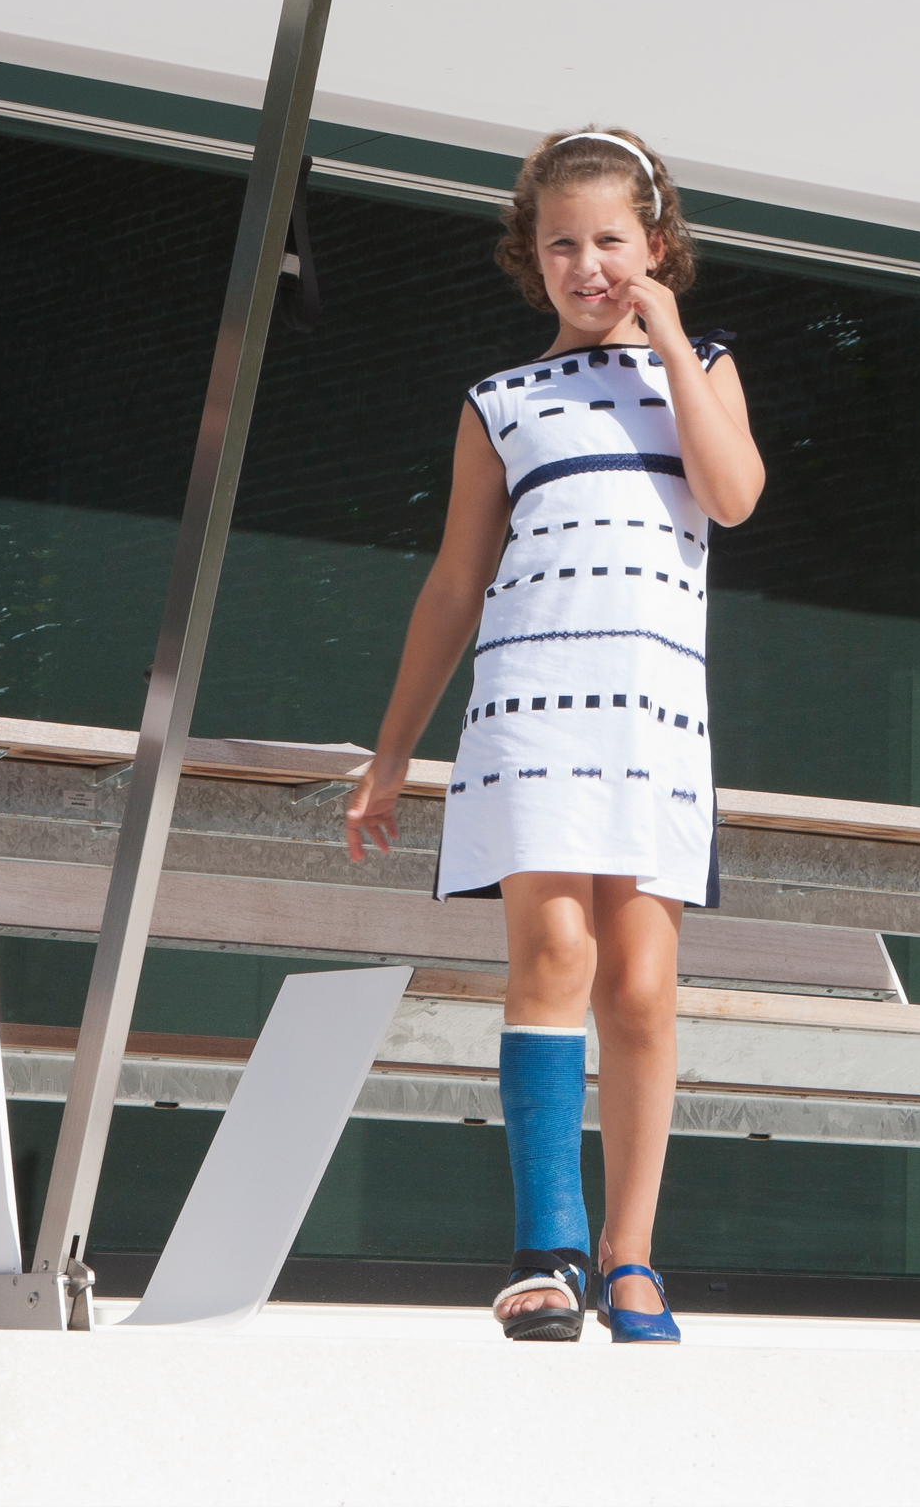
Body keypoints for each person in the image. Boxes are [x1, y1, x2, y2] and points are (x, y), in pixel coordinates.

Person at [345, 128, 764, 1345]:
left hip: (653, 719)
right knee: (554, 956)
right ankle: (548, 1252)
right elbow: (452, 586)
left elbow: (733, 496)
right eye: (561, 244)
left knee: (639, 987)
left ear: (658, 245)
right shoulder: (500, 402)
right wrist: (392, 754)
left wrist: (671, 342)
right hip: (528, 707)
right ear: (531, 258)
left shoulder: (705, 367)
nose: (588, 265)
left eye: (611, 241)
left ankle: (632, 1257)